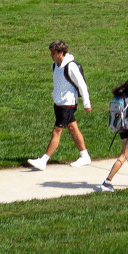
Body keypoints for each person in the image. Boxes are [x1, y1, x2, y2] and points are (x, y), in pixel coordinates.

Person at [27, 40, 96, 170]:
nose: (51, 55)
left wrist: (87, 104)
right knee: (73, 129)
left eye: (53, 53)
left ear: (61, 53)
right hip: (59, 104)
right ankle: (85, 156)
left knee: (57, 131)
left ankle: (44, 160)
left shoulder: (71, 66)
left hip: (67, 104)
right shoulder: (55, 66)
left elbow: (82, 85)